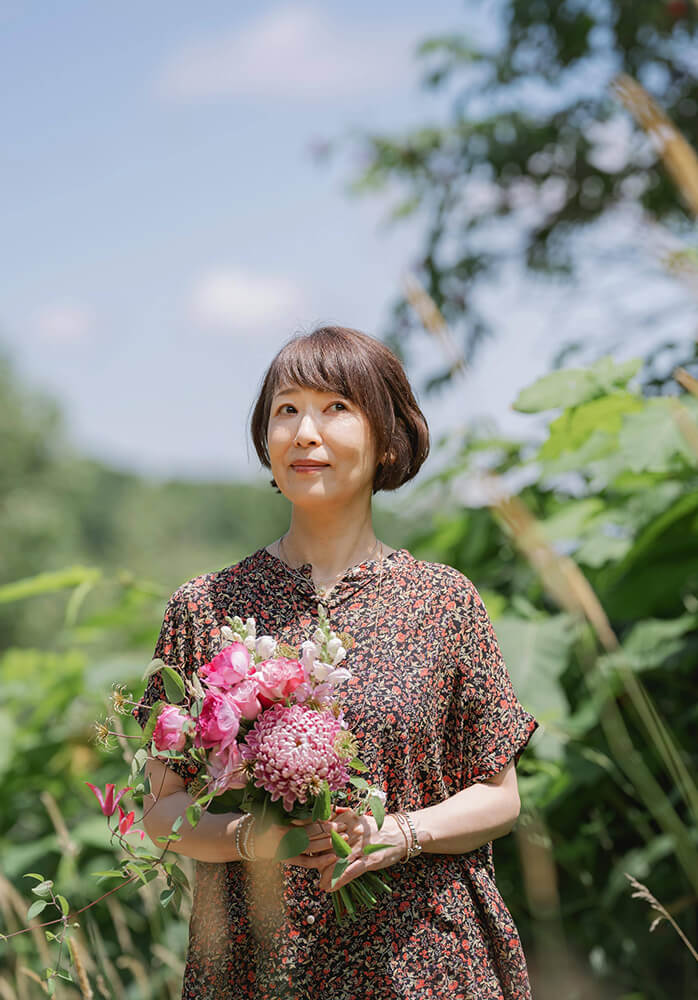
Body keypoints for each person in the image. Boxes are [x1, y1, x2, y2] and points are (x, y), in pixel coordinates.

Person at [134, 325, 539, 1000]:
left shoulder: (444, 602)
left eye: (336, 408)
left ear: (387, 437)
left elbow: (500, 797)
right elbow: (161, 812)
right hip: (258, 966)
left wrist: (399, 834)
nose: (304, 432)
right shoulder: (204, 606)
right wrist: (251, 838)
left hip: (427, 963)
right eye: (285, 410)